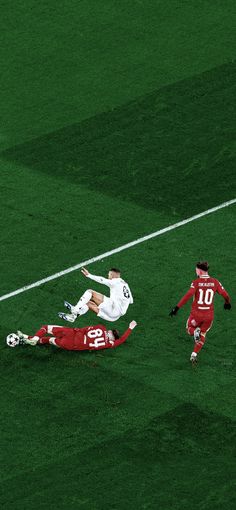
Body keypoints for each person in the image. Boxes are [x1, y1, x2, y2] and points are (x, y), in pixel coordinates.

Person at [169, 261, 231, 364]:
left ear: (200, 271)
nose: (196, 271)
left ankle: (194, 332)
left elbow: (188, 295)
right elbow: (225, 294)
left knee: (189, 329)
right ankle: (194, 354)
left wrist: (176, 308)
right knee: (203, 333)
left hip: (196, 314)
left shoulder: (196, 282)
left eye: (196, 270)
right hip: (208, 316)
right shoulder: (215, 282)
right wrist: (227, 302)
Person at [58, 267, 133, 323]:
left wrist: (89, 275)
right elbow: (130, 301)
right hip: (115, 316)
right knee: (87, 302)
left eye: (109, 274)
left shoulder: (115, 281)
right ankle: (74, 316)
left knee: (90, 292)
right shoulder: (125, 285)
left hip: (113, 309)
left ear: (112, 275)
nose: (108, 276)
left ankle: (74, 310)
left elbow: (102, 280)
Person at [17, 320, 137, 351]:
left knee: (46, 327)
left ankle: (33, 338)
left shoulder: (101, 327)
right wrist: (130, 328)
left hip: (71, 333)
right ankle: (31, 339)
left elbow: (84, 329)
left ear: (109, 332)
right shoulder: (108, 344)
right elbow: (121, 340)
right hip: (72, 345)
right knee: (50, 340)